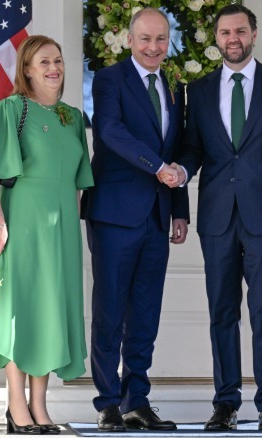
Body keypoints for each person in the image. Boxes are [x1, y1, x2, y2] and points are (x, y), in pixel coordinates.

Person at [170, 4, 262, 432]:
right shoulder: (199, 90)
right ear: (216, 38)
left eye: (240, 31)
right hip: (217, 218)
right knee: (222, 312)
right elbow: (193, 149)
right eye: (225, 32)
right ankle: (226, 403)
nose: (233, 39)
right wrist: (181, 171)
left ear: (254, 34)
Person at [0, 35, 94, 435]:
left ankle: (40, 407)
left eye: (57, 60)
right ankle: (15, 406)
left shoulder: (73, 116)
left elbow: (79, 181)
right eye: (43, 62)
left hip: (61, 227)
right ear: (26, 69)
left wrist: (67, 221)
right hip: (22, 221)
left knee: (51, 310)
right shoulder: (11, 109)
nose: (53, 68)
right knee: (21, 309)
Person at [79, 7, 190, 432]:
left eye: (161, 39)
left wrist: (179, 208)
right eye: (145, 38)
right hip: (114, 211)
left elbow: (178, 147)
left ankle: (136, 399)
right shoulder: (110, 80)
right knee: (109, 310)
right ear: (129, 40)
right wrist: (156, 165)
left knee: (145, 312)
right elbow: (109, 131)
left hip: (159, 215)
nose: (153, 47)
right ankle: (107, 403)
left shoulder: (175, 86)